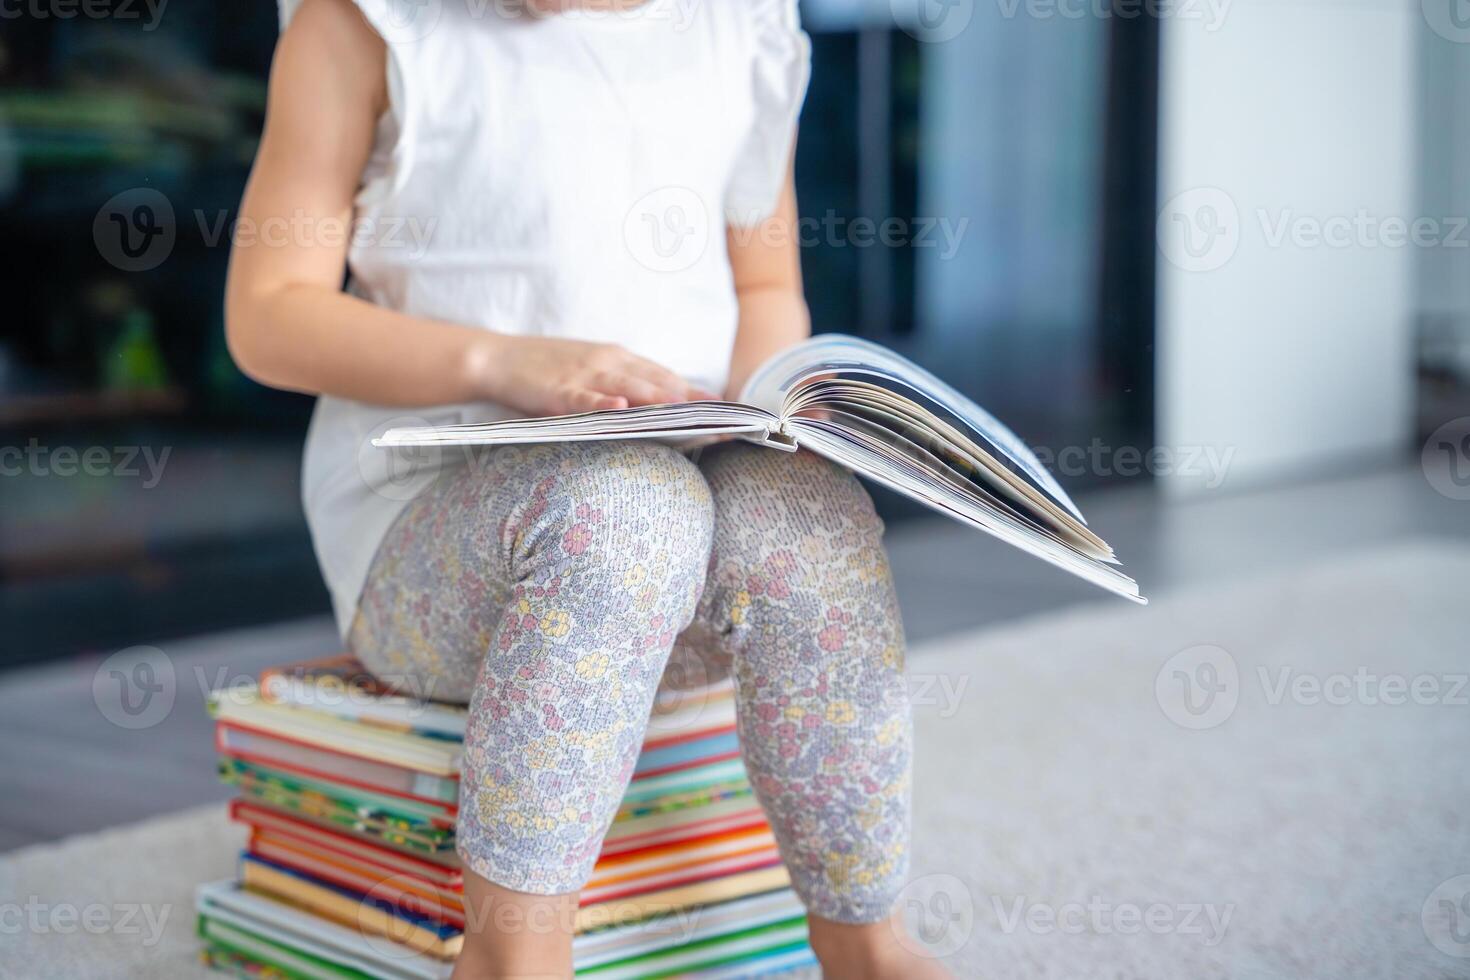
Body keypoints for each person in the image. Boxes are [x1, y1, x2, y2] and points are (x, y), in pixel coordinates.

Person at [226, 1, 947, 976]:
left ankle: (865, 940)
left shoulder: (744, 27)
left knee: (804, 516)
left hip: (685, 543)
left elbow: (766, 285)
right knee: (629, 509)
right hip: (440, 549)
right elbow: (268, 315)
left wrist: (776, 419)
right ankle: (513, 957)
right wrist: (501, 362)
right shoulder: (366, 25)